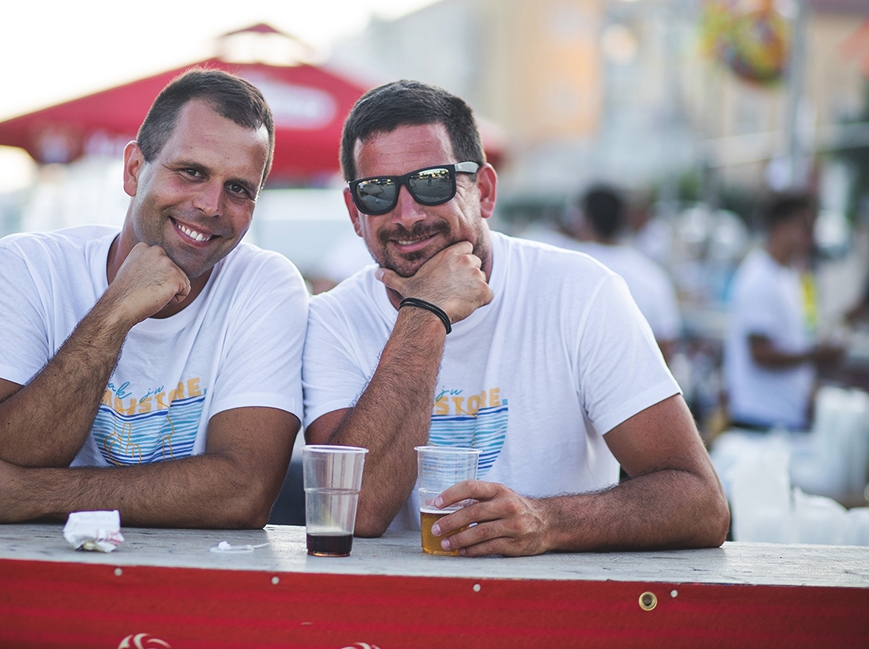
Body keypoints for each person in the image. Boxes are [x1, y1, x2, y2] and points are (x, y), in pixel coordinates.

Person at [302, 80, 729, 557]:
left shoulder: (580, 292)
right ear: (355, 212)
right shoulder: (332, 319)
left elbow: (701, 502)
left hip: (555, 600)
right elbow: (352, 513)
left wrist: (547, 521)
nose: (406, 214)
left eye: (431, 182)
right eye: (377, 192)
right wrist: (426, 312)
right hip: (400, 603)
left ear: (484, 192)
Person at [0, 69, 308, 526]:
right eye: (192, 172)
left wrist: (32, 494)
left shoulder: (266, 285)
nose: (211, 205)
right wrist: (115, 313)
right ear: (133, 170)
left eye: (238, 189)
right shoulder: (25, 265)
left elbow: (244, 492)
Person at [724, 192, 844, 432]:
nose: (810, 237)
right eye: (805, 226)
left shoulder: (790, 275)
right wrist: (816, 355)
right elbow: (760, 353)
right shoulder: (759, 277)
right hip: (759, 420)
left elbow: (792, 340)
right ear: (780, 226)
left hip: (781, 419)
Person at [575, 184, 682, 362]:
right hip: (636, 376)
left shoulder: (569, 269)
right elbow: (666, 345)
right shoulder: (651, 274)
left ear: (585, 220)